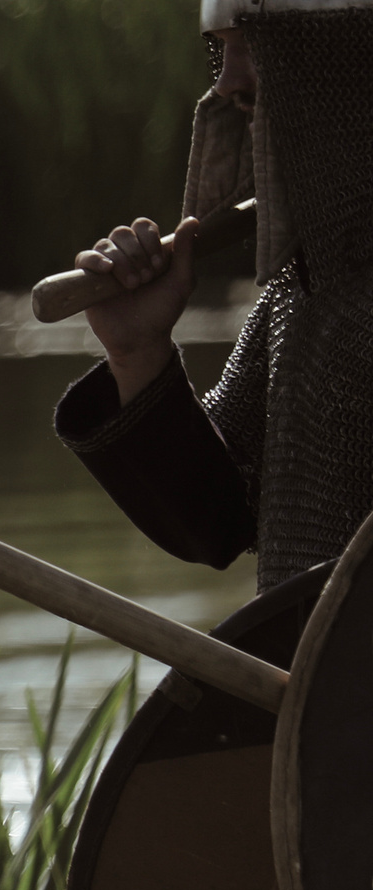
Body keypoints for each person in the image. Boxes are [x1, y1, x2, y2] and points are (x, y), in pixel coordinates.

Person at [54, 0, 373, 593]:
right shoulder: (306, 290)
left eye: (256, 42)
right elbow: (220, 522)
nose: (228, 83)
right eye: (221, 48)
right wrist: (138, 355)